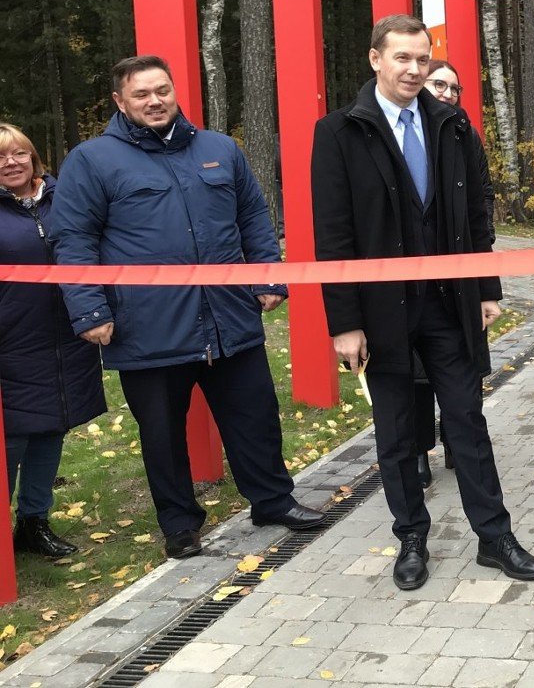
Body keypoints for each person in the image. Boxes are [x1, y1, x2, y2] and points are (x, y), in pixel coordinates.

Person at [49, 56, 324, 561]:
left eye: (162, 91)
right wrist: (89, 310)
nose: (155, 102)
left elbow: (253, 216)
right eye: (141, 95)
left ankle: (272, 501)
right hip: (147, 327)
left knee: (255, 418)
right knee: (161, 434)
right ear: (120, 102)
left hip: (229, 319)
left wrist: (267, 274)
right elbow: (73, 240)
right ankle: (179, 525)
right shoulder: (92, 161)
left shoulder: (220, 149)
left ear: (176, 91)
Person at [310, 14, 534, 591]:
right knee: (395, 433)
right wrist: (344, 322)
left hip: (448, 306)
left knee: (467, 421)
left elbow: (476, 214)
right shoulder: (340, 132)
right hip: (382, 312)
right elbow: (332, 234)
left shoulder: (452, 124)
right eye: (402, 59)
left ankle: (494, 536)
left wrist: (486, 287)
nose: (414, 70)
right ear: (375, 60)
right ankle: (411, 536)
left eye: (422, 58)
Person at [1, 124, 106, 558]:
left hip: (65, 337)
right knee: (13, 437)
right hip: (12, 342)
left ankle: (34, 522)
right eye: (1, 158)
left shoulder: (65, 198)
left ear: (33, 156)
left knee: (53, 428)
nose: (11, 163)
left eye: (18, 154)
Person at [413, 59, 495, 489]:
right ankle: (419, 450)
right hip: (414, 282)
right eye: (438, 84)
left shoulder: (465, 134)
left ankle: (458, 445)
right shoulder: (406, 134)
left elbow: (482, 195)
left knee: (461, 372)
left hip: (460, 279)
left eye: (454, 88)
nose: (446, 93)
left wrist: (484, 273)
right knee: (415, 377)